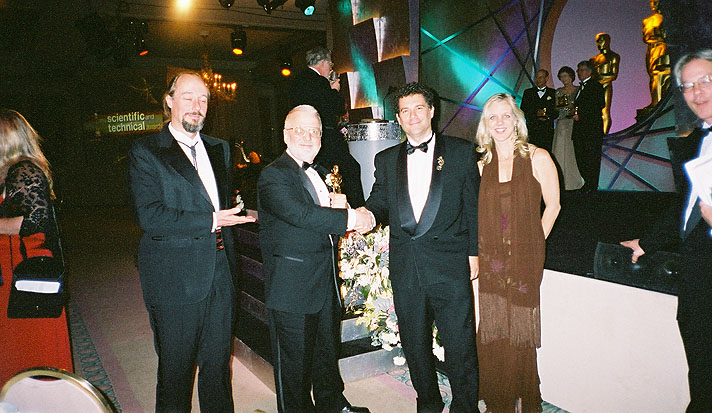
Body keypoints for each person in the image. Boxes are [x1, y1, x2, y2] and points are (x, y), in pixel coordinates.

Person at [127, 72, 256, 412]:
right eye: (188, 97)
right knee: (176, 372)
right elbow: (150, 216)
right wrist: (212, 219)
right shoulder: (147, 150)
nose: (197, 106)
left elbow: (217, 202)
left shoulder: (220, 148)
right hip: (175, 276)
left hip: (221, 271)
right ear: (168, 100)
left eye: (203, 99)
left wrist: (237, 213)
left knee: (217, 369)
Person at [364, 82, 480, 412]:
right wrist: (364, 215)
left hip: (450, 266)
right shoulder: (385, 159)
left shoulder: (460, 152)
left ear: (431, 111)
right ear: (398, 119)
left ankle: (466, 406)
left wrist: (474, 253)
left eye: (419, 108)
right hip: (406, 268)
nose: (412, 116)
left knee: (460, 345)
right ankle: (428, 403)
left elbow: (474, 208)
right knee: (415, 346)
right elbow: (379, 202)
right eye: (404, 111)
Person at [258, 105, 373, 413]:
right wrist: (351, 218)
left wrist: (343, 211)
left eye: (315, 131)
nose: (308, 137)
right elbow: (302, 214)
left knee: (326, 352)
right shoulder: (274, 174)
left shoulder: (321, 172)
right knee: (294, 367)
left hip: (324, 281)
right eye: (300, 130)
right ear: (286, 134)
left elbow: (324, 219)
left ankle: (333, 403)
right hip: (292, 286)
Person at [621, 49, 712, 413]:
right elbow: (687, 207)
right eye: (688, 86)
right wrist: (647, 242)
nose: (696, 92)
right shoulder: (696, 141)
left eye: (705, 80)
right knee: (702, 368)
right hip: (698, 273)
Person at [475, 93, 560, 413]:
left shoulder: (538, 157)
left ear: (517, 120)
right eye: (492, 117)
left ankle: (525, 399)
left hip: (525, 258)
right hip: (490, 260)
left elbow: (554, 206)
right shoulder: (482, 163)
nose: (499, 122)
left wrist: (533, 244)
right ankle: (500, 401)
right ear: (485, 124)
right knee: (494, 327)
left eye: (505, 116)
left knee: (519, 330)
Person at [0, 109, 72, 385]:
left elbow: (36, 220)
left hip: (25, 270)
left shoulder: (24, 169)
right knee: (17, 348)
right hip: (12, 268)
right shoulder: (10, 173)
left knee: (34, 349)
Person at [289, 47, 365, 208]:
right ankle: (356, 210)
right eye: (330, 63)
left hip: (301, 137)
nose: (331, 67)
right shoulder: (320, 81)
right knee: (351, 169)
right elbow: (337, 108)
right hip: (326, 137)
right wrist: (334, 90)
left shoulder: (297, 80)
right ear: (323, 62)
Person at [572, 60, 605, 193]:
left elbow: (599, 105)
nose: (579, 72)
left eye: (582, 70)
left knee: (591, 157)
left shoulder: (596, 86)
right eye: (578, 70)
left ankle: (591, 185)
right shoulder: (581, 87)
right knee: (581, 157)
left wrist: (581, 115)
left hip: (591, 129)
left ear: (590, 71)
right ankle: (588, 183)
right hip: (580, 129)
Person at [551, 66, 584, 191]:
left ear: (571, 77)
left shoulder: (578, 90)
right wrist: (564, 107)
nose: (564, 79)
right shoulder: (559, 91)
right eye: (561, 77)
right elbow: (556, 108)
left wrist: (573, 108)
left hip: (574, 123)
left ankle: (574, 181)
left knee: (572, 152)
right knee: (559, 150)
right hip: (562, 123)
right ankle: (559, 181)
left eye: (565, 76)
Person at [642, 0, 670, 110]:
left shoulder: (667, 18)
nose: (656, 4)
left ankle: (662, 101)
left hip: (662, 48)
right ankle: (655, 101)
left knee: (663, 72)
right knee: (653, 76)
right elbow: (646, 37)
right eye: (654, 2)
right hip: (652, 50)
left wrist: (656, 37)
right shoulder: (647, 20)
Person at [590, 33, 620, 134]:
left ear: (607, 41)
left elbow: (613, 75)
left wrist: (598, 78)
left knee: (605, 111)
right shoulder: (593, 59)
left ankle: (604, 135)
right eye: (598, 41)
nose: (599, 43)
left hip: (605, 86)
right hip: (595, 87)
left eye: (601, 40)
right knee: (594, 112)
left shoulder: (613, 56)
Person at [520, 69, 557, 151]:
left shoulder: (553, 93)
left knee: (547, 152)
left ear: (547, 78)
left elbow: (556, 111)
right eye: (536, 77)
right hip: (532, 129)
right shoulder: (528, 92)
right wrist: (535, 116)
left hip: (547, 130)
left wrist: (547, 116)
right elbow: (523, 109)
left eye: (541, 77)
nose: (538, 80)